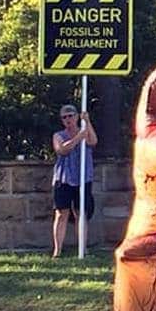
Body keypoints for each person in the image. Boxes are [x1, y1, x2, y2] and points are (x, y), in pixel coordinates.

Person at [51, 104, 98, 258]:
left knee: (81, 213)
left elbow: (93, 142)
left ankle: (82, 249)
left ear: (77, 116)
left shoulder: (85, 131)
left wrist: (88, 123)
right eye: (64, 117)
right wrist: (78, 137)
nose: (68, 119)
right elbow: (62, 149)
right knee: (61, 213)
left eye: (70, 115)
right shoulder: (58, 135)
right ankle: (57, 251)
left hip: (83, 177)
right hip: (63, 178)